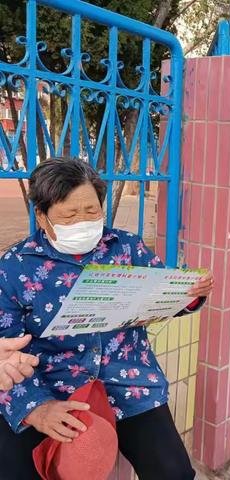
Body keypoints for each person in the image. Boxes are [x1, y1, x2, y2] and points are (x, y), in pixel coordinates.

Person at [0, 157, 214, 480]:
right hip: (52, 386)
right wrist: (37, 409)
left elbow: (163, 295)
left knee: (175, 472)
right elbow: (6, 355)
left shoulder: (126, 248)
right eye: (69, 215)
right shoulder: (15, 267)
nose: (83, 222)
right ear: (42, 217)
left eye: (91, 212)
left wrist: (190, 294)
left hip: (128, 383)